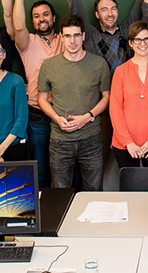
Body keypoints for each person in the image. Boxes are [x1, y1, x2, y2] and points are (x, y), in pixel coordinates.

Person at [37, 15, 111, 190]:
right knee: (60, 192)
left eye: (76, 35)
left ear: (83, 36)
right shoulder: (49, 65)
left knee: (93, 191)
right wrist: (56, 118)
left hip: (91, 139)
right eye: (68, 36)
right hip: (60, 140)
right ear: (61, 37)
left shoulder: (98, 64)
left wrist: (87, 117)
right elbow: (41, 98)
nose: (72, 41)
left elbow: (106, 97)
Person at [12, 0, 63, 187]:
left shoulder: (67, 38)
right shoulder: (28, 42)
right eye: (36, 16)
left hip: (64, 112)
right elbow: (17, 26)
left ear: (53, 17)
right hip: (37, 113)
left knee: (64, 169)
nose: (41, 19)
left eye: (45, 14)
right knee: (41, 169)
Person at [109, 21, 148, 167]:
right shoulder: (120, 71)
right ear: (130, 43)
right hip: (125, 144)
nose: (142, 43)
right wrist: (128, 142)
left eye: (146, 39)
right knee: (130, 187)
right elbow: (115, 109)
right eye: (137, 39)